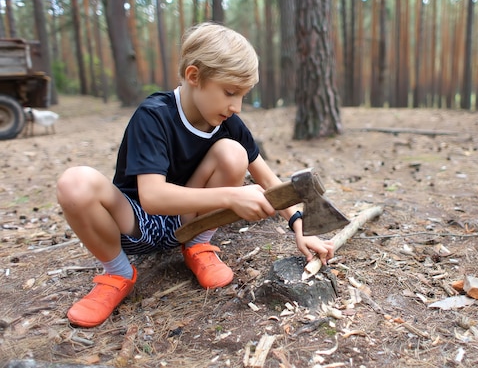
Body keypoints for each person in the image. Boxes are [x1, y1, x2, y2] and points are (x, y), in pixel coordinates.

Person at [56, 22, 335, 328]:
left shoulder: (229, 124)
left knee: (233, 153)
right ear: (194, 76)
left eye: (243, 95)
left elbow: (271, 183)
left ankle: (198, 246)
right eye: (230, 92)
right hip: (134, 223)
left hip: (189, 222)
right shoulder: (154, 115)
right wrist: (231, 195)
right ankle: (117, 273)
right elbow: (151, 198)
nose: (237, 106)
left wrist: (300, 225)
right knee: (75, 183)